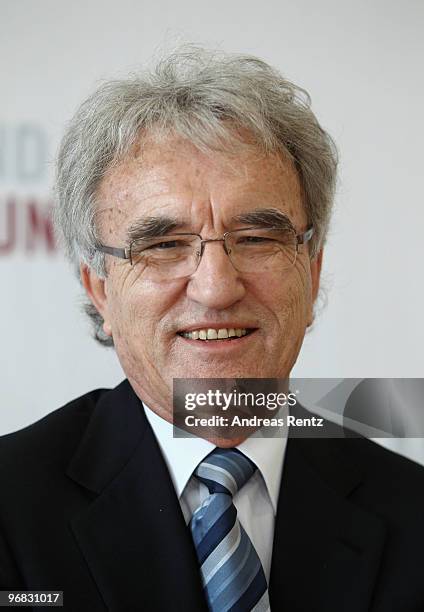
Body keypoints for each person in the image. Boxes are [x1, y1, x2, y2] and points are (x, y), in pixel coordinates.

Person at [1, 47, 423, 612]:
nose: (216, 287)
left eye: (257, 239)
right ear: (100, 289)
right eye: (164, 246)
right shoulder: (9, 509)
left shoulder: (414, 513)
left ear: (312, 270)